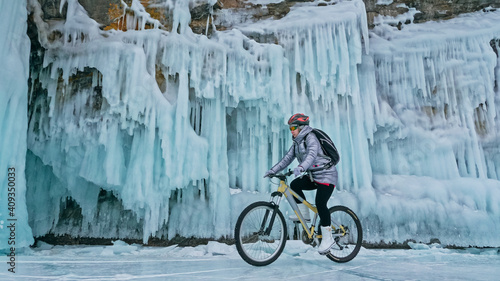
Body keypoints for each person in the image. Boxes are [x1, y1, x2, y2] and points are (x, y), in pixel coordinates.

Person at [264, 113, 338, 254]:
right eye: (290, 128)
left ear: (302, 127)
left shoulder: (311, 138)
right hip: (313, 176)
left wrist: (301, 167)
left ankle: (328, 239)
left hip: (327, 175)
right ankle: (304, 215)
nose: (291, 130)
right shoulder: (297, 142)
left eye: (294, 127)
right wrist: (272, 170)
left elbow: (311, 155)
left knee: (321, 203)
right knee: (295, 185)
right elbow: (287, 158)